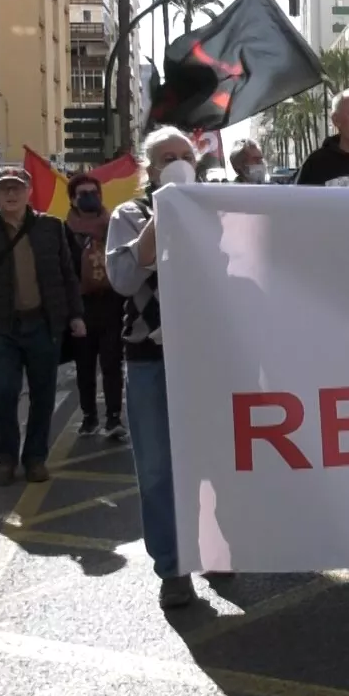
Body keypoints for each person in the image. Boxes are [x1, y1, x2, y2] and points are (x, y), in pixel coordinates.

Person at [107, 126, 216, 608]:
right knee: (156, 470)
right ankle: (172, 567)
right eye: (165, 158)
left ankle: (219, 548)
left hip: (210, 357)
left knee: (216, 462)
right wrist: (163, 213)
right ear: (148, 170)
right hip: (151, 359)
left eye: (183, 156)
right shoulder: (129, 215)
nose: (175, 161)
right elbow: (124, 279)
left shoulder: (215, 206)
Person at [0, 166, 86, 486]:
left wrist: (75, 315)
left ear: (29, 191)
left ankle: (35, 459)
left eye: (17, 188)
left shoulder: (51, 227)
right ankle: (6, 457)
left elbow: (67, 274)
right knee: (3, 390)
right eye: (5, 189)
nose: (11, 194)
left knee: (43, 394)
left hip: (43, 324)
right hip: (2, 326)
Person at [65, 172, 126, 442]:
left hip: (112, 304)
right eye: (82, 194)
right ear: (72, 200)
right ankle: (89, 416)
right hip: (81, 307)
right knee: (85, 366)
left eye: (93, 193)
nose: (89, 198)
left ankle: (114, 417)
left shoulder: (114, 225)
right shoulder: (64, 230)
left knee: (112, 363)